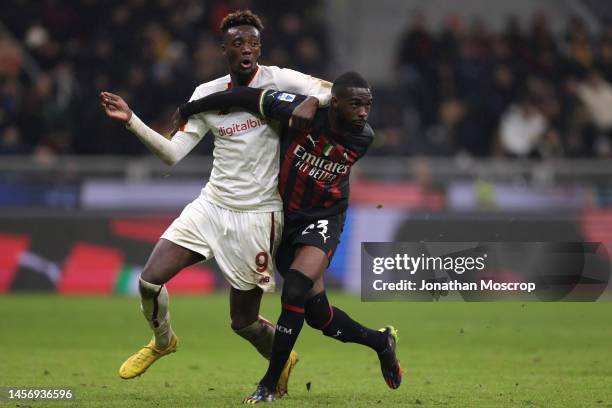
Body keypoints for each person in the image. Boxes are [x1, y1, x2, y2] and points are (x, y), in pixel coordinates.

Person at [99, 9, 332, 397]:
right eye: (238, 43)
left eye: (253, 43)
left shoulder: (280, 79)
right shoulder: (206, 95)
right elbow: (172, 154)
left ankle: (280, 358)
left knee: (242, 322)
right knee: (149, 281)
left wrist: (313, 103)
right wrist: (131, 121)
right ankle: (163, 342)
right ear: (223, 49)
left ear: (260, 48)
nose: (247, 49)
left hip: (258, 215)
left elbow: (331, 91)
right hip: (210, 205)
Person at [174, 71, 403, 403]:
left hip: (325, 217)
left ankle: (269, 384)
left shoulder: (363, 137)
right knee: (319, 317)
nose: (364, 113)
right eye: (356, 105)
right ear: (336, 103)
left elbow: (330, 117)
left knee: (294, 289)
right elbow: (244, 97)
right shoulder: (299, 110)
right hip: (283, 217)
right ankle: (382, 342)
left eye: (368, 105)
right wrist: (189, 108)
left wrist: (314, 101)